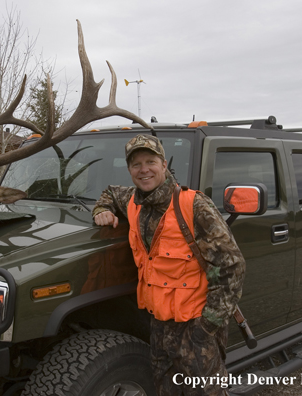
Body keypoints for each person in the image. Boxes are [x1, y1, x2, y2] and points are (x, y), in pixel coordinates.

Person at [92, 134, 246, 396]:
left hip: (195, 325)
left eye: (150, 161)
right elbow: (108, 192)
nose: (144, 170)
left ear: (164, 165)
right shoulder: (132, 200)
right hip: (159, 325)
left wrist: (206, 327)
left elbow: (232, 267)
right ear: (129, 170)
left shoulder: (193, 205)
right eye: (136, 164)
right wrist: (101, 211)